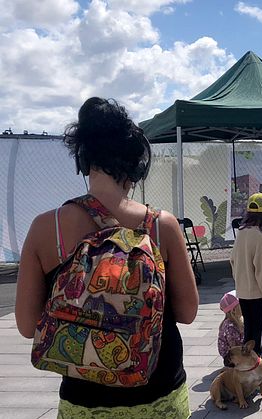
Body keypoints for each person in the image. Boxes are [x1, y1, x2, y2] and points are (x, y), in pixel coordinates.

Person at [15, 97, 199, 417]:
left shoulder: (46, 228)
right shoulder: (161, 226)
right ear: (134, 163)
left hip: (83, 400)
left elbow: (28, 325)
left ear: (82, 160)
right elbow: (187, 313)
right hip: (159, 394)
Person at [230, 192, 262, 383]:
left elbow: (233, 260)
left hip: (243, 291)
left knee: (249, 335)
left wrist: (240, 281)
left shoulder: (242, 232)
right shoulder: (261, 237)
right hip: (257, 294)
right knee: (258, 338)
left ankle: (247, 369)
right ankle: (260, 375)